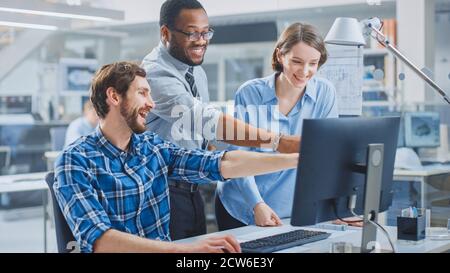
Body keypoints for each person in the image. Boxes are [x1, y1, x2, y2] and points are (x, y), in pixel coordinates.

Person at [53, 61, 299, 253]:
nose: (151, 103)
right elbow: (101, 241)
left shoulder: (151, 146)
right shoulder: (75, 160)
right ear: (114, 97)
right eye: (142, 93)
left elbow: (219, 163)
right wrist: (184, 250)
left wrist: (297, 159)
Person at [142, 0, 300, 240]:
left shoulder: (196, 71)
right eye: (192, 33)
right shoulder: (155, 74)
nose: (202, 40)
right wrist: (277, 141)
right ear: (166, 33)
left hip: (194, 190)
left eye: (206, 32)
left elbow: (208, 136)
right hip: (162, 193)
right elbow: (205, 121)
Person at [215, 22, 339, 230]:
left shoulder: (325, 93)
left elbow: (327, 154)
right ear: (280, 56)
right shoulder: (250, 93)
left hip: (289, 209)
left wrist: (336, 206)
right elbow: (238, 157)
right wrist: (257, 204)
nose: (305, 71)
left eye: (313, 63)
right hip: (243, 203)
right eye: (297, 62)